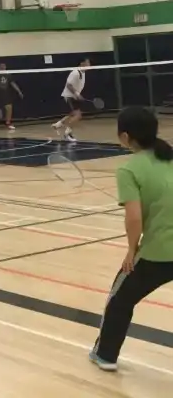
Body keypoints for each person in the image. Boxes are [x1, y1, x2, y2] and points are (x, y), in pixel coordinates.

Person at [90, 106, 173, 371]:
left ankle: (105, 355)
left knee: (119, 300)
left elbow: (134, 218)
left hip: (158, 253)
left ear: (125, 137)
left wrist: (131, 250)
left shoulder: (128, 170)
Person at [53, 58, 91, 142]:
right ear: (82, 63)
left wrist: (78, 95)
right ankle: (67, 134)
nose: (89, 65)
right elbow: (69, 85)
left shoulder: (83, 73)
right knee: (77, 115)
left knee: (72, 115)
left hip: (73, 96)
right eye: (87, 63)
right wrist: (77, 94)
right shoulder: (75, 73)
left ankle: (57, 125)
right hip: (69, 96)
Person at [0, 62, 23, 131]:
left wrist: (19, 91)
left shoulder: (8, 75)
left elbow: (12, 83)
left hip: (6, 95)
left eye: (4, 66)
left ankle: (8, 123)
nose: (3, 67)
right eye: (1, 66)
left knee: (9, 107)